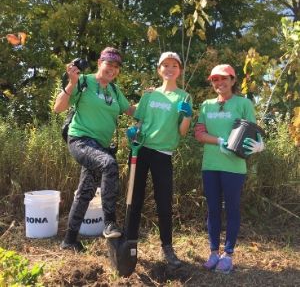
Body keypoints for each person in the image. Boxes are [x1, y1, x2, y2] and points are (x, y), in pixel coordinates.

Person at [54, 47, 136, 252]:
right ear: (100, 63)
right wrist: (71, 83)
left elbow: (132, 111)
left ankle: (69, 241)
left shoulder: (115, 91)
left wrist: (151, 100)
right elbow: (58, 107)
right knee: (108, 164)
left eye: (117, 66)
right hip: (80, 140)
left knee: (86, 192)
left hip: (100, 146)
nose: (113, 69)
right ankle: (109, 222)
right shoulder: (84, 81)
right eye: (109, 64)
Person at [194, 64, 264, 273]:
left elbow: (254, 133)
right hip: (211, 165)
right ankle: (214, 252)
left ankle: (229, 254)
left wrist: (260, 145)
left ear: (233, 81)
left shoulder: (243, 103)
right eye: (215, 79)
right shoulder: (206, 105)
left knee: (232, 209)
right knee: (213, 209)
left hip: (234, 167)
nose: (219, 83)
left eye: (224, 78)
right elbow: (199, 134)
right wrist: (219, 141)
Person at [126, 52, 192, 268]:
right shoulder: (149, 95)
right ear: (159, 69)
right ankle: (130, 245)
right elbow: (139, 121)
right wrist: (133, 133)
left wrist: (188, 116)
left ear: (179, 70)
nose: (169, 68)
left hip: (163, 154)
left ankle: (167, 248)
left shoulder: (184, 97)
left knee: (164, 202)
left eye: (174, 65)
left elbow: (182, 132)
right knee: (134, 199)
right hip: (141, 150)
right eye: (165, 65)